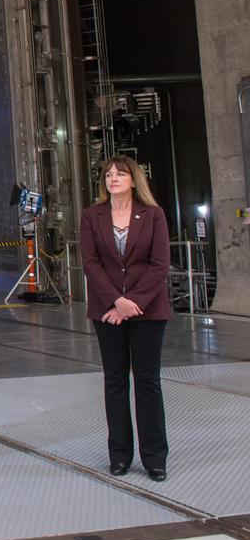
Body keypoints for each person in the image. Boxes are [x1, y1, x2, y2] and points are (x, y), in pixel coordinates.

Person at [80, 155, 172, 482]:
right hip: (108, 310)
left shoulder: (154, 215)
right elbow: (91, 264)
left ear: (134, 180)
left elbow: (160, 264)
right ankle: (119, 455)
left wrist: (132, 302)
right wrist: (116, 301)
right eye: (108, 174)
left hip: (148, 310)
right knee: (115, 381)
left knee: (147, 382)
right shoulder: (92, 216)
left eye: (120, 174)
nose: (113, 178)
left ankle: (155, 458)